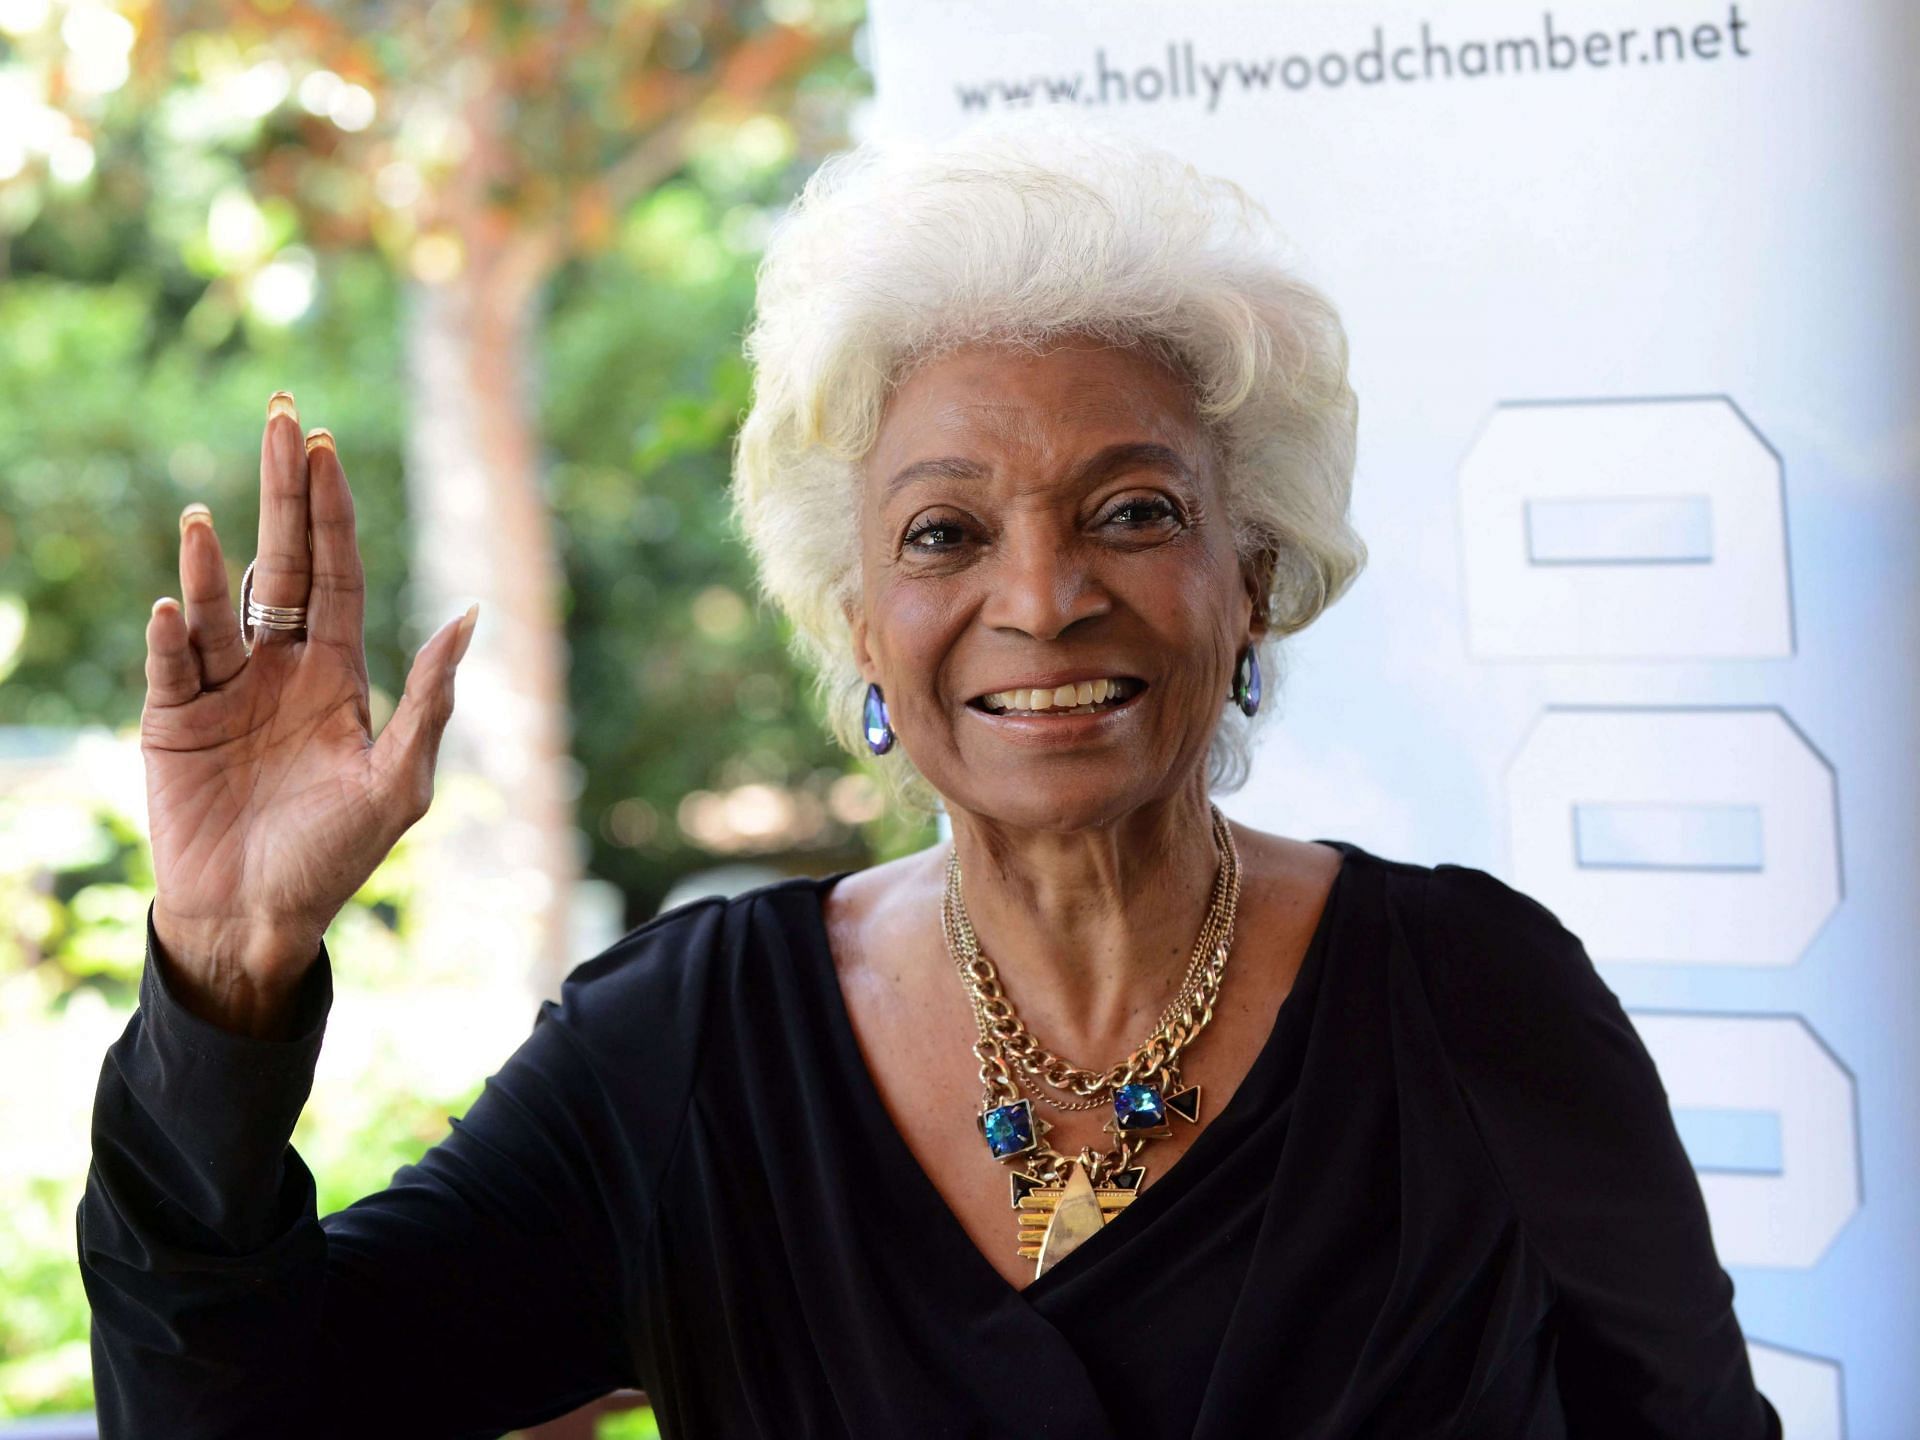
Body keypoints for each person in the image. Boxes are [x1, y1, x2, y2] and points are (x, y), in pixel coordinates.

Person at [79, 117, 1782, 1438]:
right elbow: (242, 1412)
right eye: (946, 532)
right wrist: (222, 985)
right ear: (862, 626)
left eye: (1134, 510)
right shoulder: (684, 1058)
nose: (1042, 598)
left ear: (1250, 573)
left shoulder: (1477, 1003)